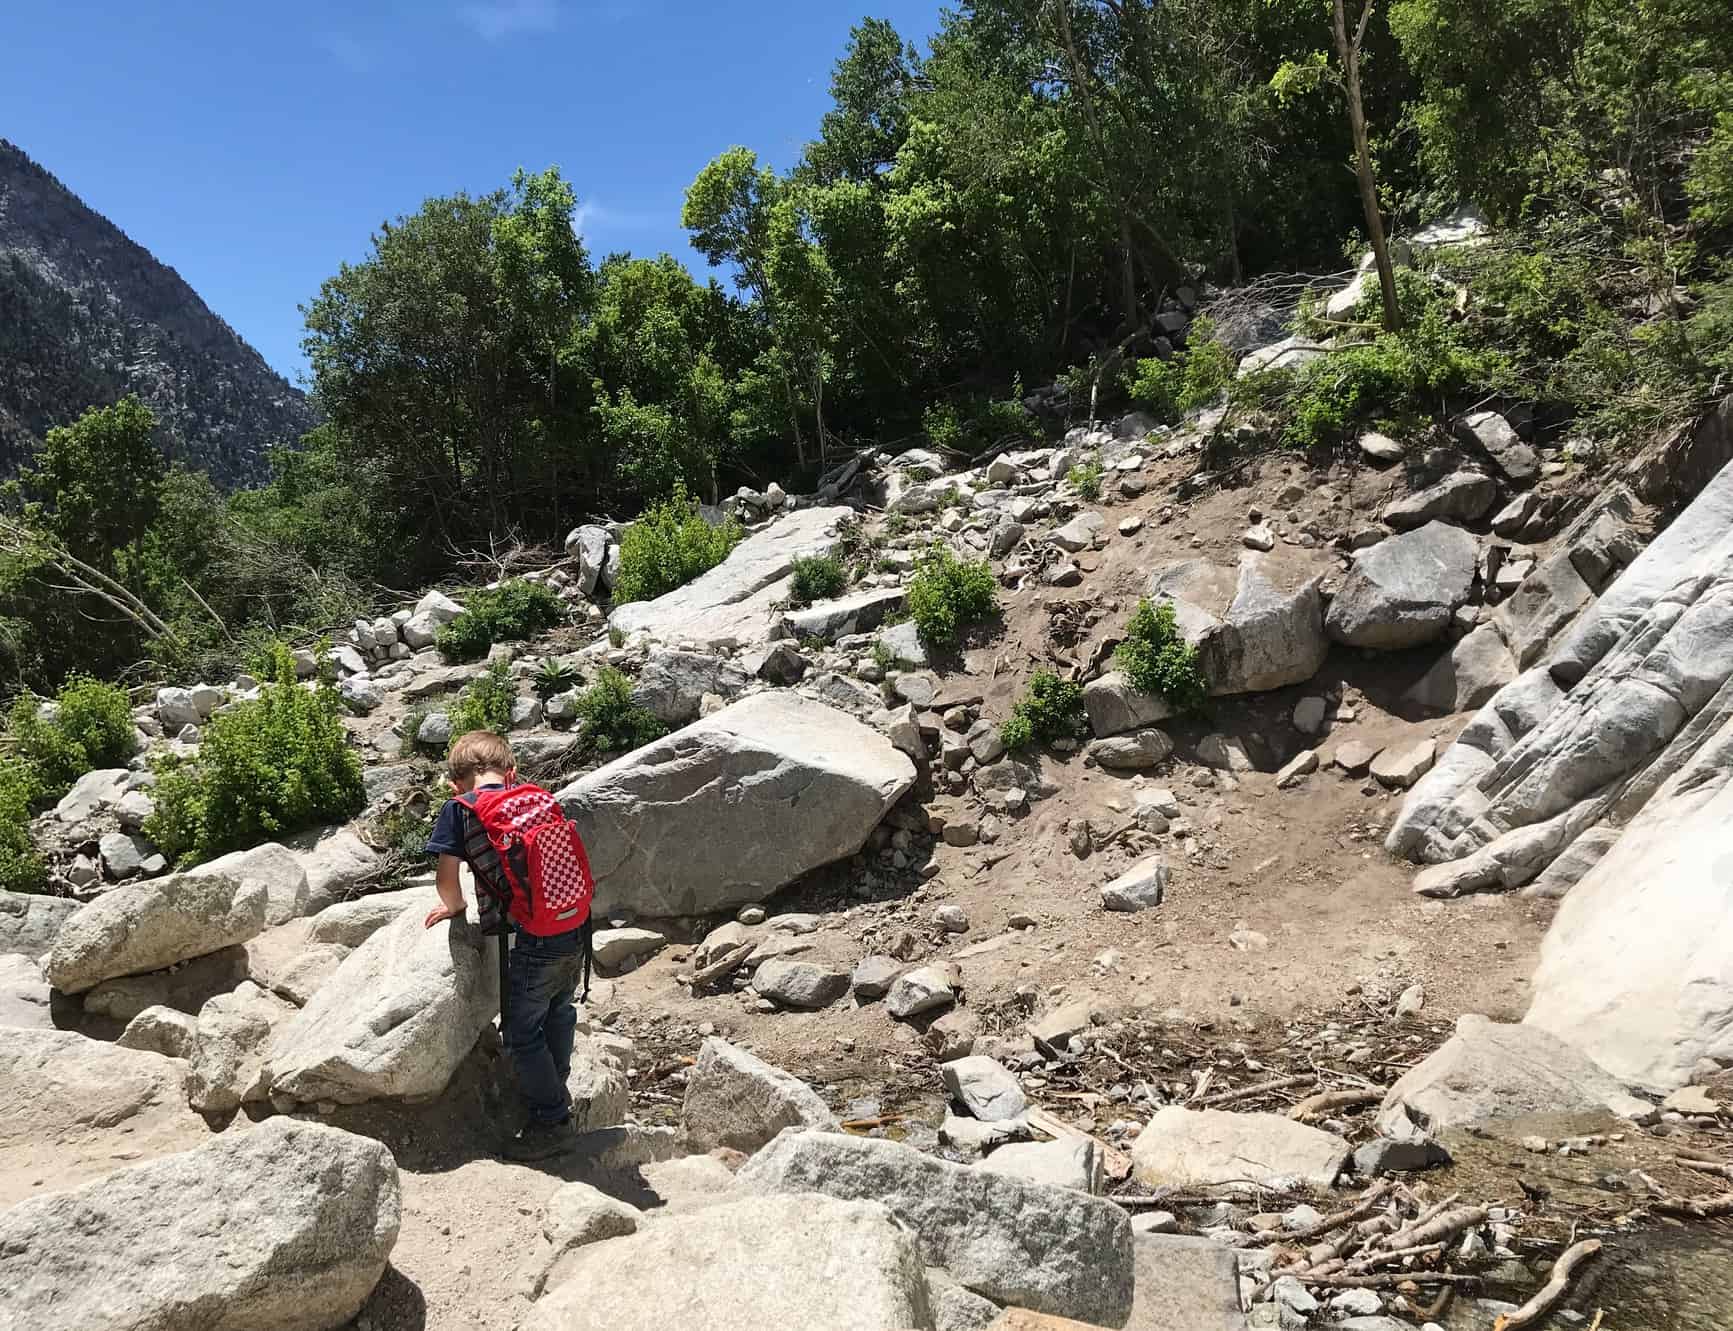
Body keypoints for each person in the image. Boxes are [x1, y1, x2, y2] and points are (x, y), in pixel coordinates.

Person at [424, 730, 591, 1161]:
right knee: (559, 1008)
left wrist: (454, 906)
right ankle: (556, 1081)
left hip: (532, 939)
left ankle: (551, 1119)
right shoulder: (535, 800)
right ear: (511, 773)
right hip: (574, 923)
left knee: (518, 1033)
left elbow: (447, 877)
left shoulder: (459, 810)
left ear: (454, 783)